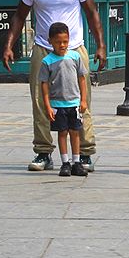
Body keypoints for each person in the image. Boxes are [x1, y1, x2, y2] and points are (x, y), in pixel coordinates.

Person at [2, 0, 105, 172]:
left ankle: (85, 153)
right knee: (41, 102)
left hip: (74, 50)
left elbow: (92, 13)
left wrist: (100, 45)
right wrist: (9, 45)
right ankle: (43, 152)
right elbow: (19, 17)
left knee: (81, 102)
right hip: (44, 50)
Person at [38, 22, 90, 177]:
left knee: (75, 132)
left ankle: (76, 161)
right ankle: (65, 162)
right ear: (50, 42)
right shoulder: (47, 61)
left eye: (65, 41)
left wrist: (83, 100)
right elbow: (44, 85)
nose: (62, 45)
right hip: (57, 104)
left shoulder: (75, 57)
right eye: (58, 42)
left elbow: (82, 79)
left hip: (74, 103)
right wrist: (47, 106)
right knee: (62, 132)